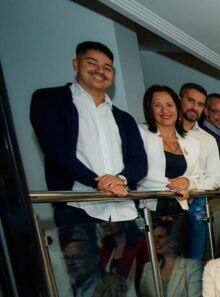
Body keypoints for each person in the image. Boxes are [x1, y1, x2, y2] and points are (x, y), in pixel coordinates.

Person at [30, 41, 146, 228]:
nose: (100, 71)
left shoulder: (125, 119)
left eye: (107, 67)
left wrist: (120, 180)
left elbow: (140, 163)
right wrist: (98, 182)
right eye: (92, 63)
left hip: (125, 210)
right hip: (77, 208)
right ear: (76, 64)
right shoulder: (49, 100)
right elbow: (56, 151)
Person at [136, 86, 213, 217]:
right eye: (157, 105)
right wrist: (175, 186)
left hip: (181, 210)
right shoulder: (140, 133)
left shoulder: (191, 142)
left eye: (169, 105)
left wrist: (187, 182)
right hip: (149, 211)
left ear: (177, 107)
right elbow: (138, 172)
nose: (165, 110)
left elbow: (197, 177)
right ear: (150, 109)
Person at [139, 222, 204, 297]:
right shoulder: (148, 268)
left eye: (160, 237)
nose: (155, 241)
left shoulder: (192, 267)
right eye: (153, 237)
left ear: (174, 239)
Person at [177, 83, 220, 191]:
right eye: (190, 100)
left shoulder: (209, 140)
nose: (194, 107)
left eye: (200, 104)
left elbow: (215, 178)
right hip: (160, 195)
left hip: (196, 199)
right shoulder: (163, 132)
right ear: (179, 99)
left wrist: (190, 186)